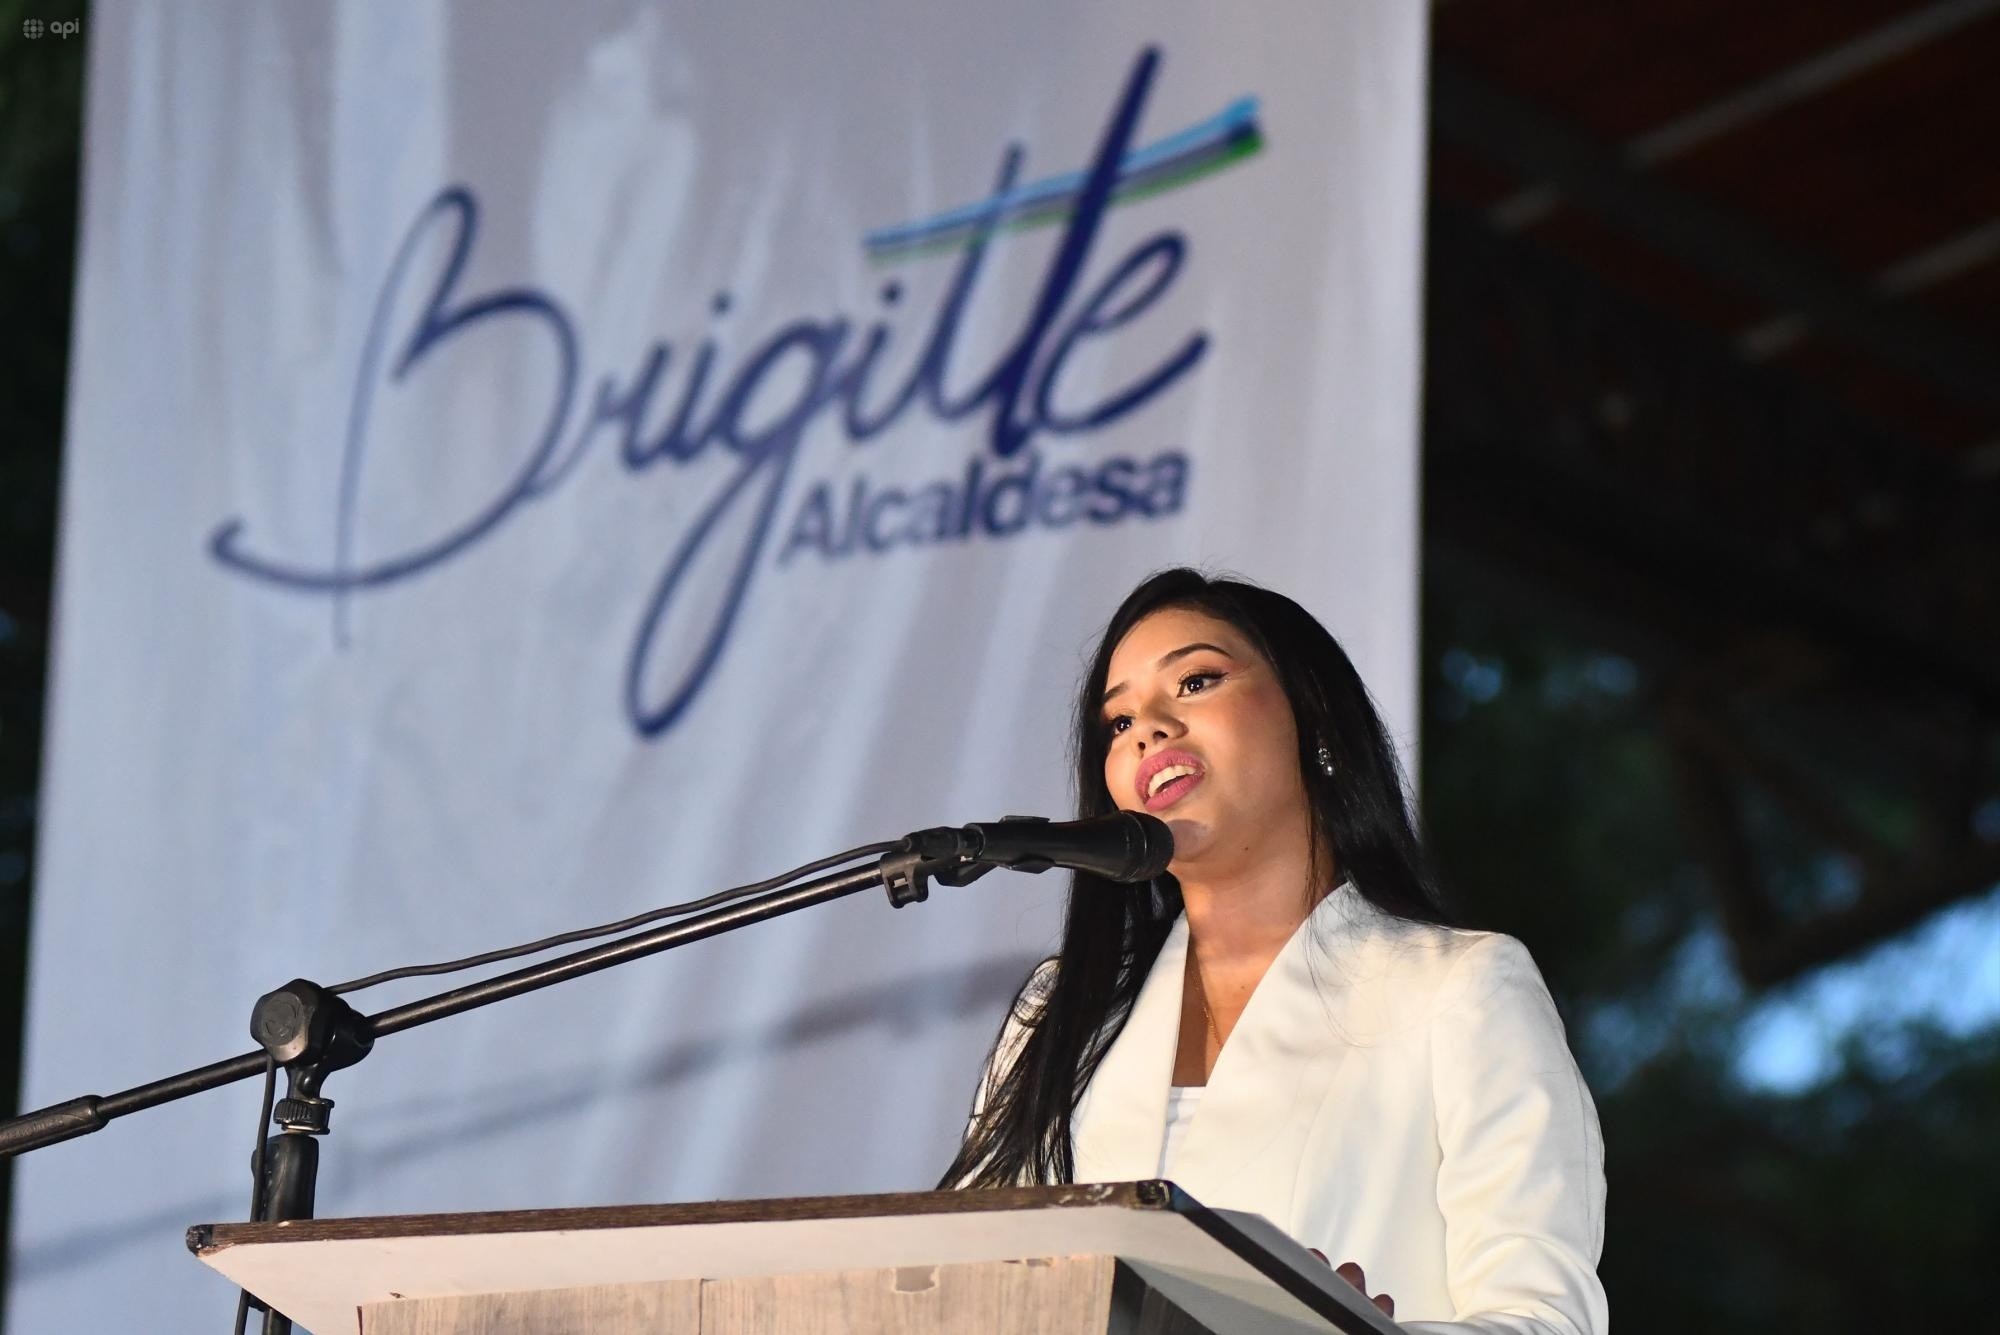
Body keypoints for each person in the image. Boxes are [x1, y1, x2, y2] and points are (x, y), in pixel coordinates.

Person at [940, 569, 1608, 1334]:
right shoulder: (1061, 1013)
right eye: (1117, 724)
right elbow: (974, 1294)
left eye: (1195, 681)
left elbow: (1546, 1320)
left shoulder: (1462, 987)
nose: (1148, 729)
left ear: (1314, 716)